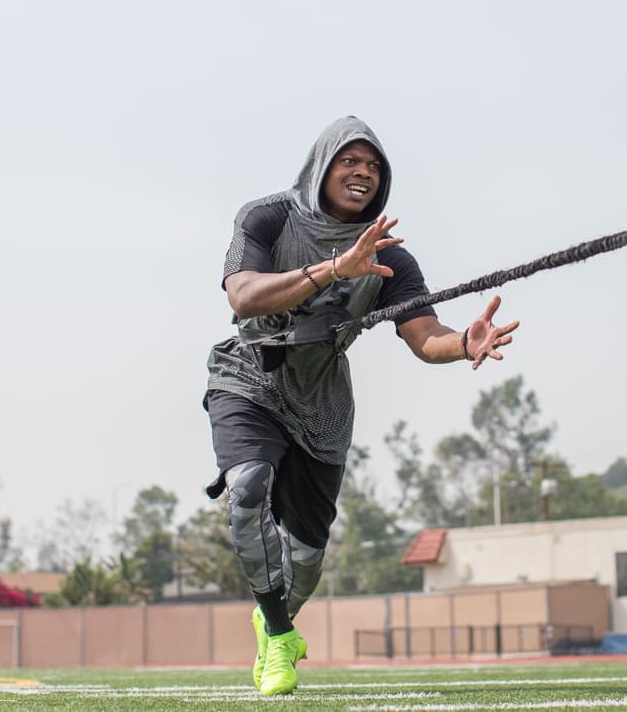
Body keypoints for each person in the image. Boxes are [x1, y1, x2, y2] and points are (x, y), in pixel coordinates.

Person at [203, 116, 519, 696]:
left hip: (322, 400)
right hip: (248, 379)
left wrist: (462, 344)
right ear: (322, 165)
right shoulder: (268, 217)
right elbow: (244, 298)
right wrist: (331, 269)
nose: (363, 173)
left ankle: (275, 616)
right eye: (351, 161)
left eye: (374, 166)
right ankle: (277, 634)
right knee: (247, 487)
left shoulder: (392, 258)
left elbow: (425, 336)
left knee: (306, 559)